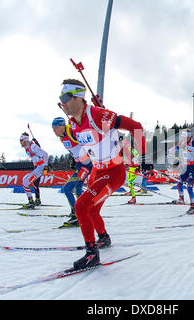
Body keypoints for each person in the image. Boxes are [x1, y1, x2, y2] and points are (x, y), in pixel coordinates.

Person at [58, 78, 150, 270]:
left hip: (114, 172)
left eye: (66, 97)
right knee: (91, 210)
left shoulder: (98, 115)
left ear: (79, 97)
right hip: (97, 170)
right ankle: (104, 238)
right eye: (60, 100)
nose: (63, 103)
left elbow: (136, 126)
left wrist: (144, 157)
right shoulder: (73, 123)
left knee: (81, 206)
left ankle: (92, 254)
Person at [52, 117, 93, 227]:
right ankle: (83, 211)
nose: (53, 131)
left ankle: (78, 213)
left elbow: (87, 140)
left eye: (55, 128)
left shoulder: (71, 131)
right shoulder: (62, 137)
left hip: (86, 165)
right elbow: (73, 150)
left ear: (61, 126)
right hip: (79, 165)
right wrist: (73, 161)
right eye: (52, 128)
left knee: (68, 188)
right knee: (77, 188)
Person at [169, 130, 194, 215]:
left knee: (189, 187)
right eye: (183, 137)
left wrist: (187, 147)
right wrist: (170, 150)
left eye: (185, 137)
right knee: (179, 183)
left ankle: (192, 206)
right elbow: (176, 148)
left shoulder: (193, 142)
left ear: (189, 137)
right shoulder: (182, 142)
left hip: (193, 167)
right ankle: (181, 198)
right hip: (185, 166)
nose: (184, 139)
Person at [19, 132, 49, 209]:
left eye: (21, 140)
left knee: (26, 183)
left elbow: (45, 154)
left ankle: (32, 201)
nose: (20, 142)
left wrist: (45, 168)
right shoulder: (27, 147)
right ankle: (32, 200)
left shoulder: (33, 146)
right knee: (26, 183)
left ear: (25, 140)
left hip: (40, 167)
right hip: (38, 167)